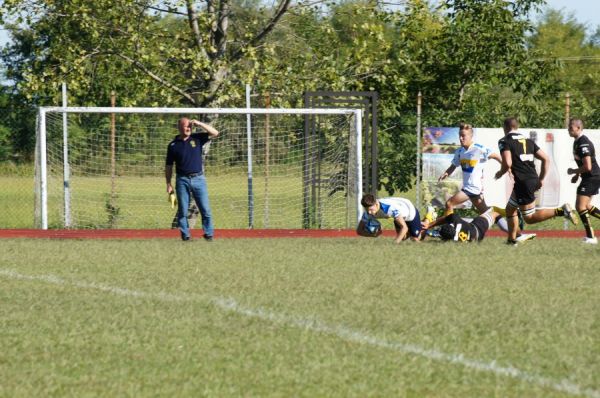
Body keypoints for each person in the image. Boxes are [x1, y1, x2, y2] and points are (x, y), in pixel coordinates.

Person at [494, 117, 577, 245]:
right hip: (530, 179)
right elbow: (546, 159)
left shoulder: (504, 141)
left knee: (529, 218)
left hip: (523, 182)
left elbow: (508, 162)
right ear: (517, 127)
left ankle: (561, 211)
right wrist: (542, 179)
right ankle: (511, 240)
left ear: (505, 128)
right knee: (510, 209)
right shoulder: (528, 141)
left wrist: (500, 173)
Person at [165, 117, 219, 241]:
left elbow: (215, 133)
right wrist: (168, 183)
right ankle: (185, 235)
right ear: (179, 127)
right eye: (186, 126)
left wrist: (199, 123)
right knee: (183, 210)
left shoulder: (197, 138)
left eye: (190, 126)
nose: (189, 128)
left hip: (199, 179)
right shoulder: (173, 145)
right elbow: (168, 166)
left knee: (205, 209)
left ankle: (209, 234)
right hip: (182, 180)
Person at [438, 123, 502, 216]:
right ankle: (513, 229)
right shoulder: (459, 151)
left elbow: (496, 156)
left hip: (473, 189)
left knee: (449, 203)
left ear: (471, 136)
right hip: (470, 189)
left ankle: (450, 228)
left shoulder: (478, 148)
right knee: (487, 213)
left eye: (463, 136)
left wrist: (507, 168)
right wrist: (446, 173)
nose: (460, 138)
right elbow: (453, 166)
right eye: (460, 136)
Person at [566, 118, 600, 244]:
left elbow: (588, 166)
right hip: (590, 177)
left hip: (592, 177)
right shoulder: (577, 142)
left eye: (571, 127)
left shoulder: (583, 143)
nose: (568, 130)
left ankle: (591, 237)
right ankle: (590, 237)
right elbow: (584, 164)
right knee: (586, 206)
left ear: (578, 128)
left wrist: (574, 171)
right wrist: (577, 175)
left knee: (580, 207)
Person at [357, 194, 421, 243]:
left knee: (414, 239)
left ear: (376, 204)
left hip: (410, 211)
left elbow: (404, 228)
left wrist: (394, 244)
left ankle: (423, 228)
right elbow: (359, 231)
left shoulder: (389, 208)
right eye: (366, 209)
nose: (369, 212)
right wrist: (373, 235)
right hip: (398, 215)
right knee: (403, 238)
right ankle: (417, 229)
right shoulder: (367, 213)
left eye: (371, 209)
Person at [421, 208, 503, 243]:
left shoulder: (453, 242)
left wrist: (428, 226)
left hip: (476, 238)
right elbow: (445, 218)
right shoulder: (455, 219)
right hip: (477, 228)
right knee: (495, 214)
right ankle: (514, 236)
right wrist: (430, 225)